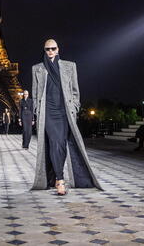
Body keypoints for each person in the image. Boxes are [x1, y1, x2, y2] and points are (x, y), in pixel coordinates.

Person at [31, 39, 102, 195]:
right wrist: (37, 110)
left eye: (53, 48)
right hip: (48, 112)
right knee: (55, 143)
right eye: (47, 49)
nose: (50, 51)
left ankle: (57, 178)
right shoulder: (37, 68)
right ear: (44, 50)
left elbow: (75, 90)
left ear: (58, 49)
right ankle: (60, 179)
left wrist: (75, 107)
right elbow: (35, 94)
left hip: (64, 112)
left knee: (61, 144)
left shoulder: (70, 66)